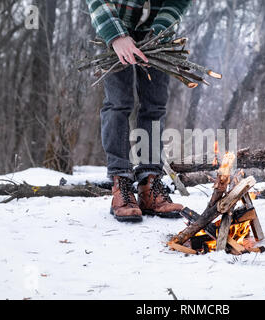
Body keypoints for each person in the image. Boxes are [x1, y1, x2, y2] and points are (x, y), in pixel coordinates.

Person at [86, 0, 192, 222]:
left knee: (155, 104)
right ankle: (121, 184)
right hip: (115, 20)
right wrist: (115, 35)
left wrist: (158, 34)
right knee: (118, 103)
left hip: (157, 31)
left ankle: (149, 184)